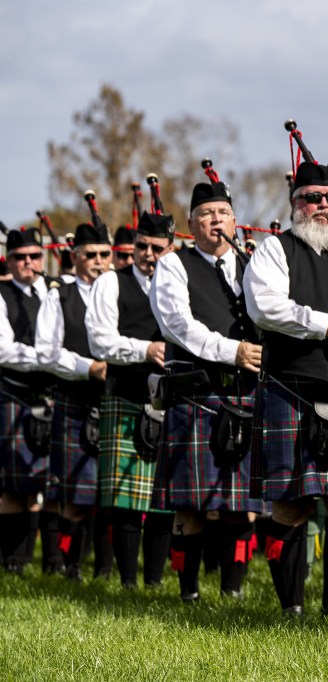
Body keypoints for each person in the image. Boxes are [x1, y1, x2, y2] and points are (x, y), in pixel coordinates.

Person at [243, 159, 328, 617]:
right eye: (311, 198)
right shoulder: (275, 251)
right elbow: (265, 308)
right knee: (290, 507)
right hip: (292, 389)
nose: (322, 206)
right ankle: (291, 608)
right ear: (295, 203)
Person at [150, 178, 264, 601]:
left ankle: (232, 589)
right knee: (190, 503)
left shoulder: (254, 266)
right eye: (205, 215)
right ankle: (188, 590)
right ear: (191, 226)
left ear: (235, 222)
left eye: (222, 214)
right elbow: (176, 326)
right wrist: (232, 351)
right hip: (197, 394)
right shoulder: (173, 265)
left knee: (239, 503)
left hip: (247, 393)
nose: (215, 221)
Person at [86, 212, 176, 589]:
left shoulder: (178, 282)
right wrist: (146, 349)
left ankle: (153, 583)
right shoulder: (111, 282)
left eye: (157, 248)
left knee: (162, 499)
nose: (148, 254)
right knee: (126, 498)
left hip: (171, 398)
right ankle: (126, 583)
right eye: (141, 246)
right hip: (126, 393)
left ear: (169, 249)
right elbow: (99, 342)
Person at [36, 223, 111, 581]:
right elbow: (47, 353)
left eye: (104, 255)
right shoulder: (59, 295)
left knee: (111, 497)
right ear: (75, 257)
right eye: (91, 255)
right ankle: (69, 566)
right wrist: (89, 367)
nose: (99, 262)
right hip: (76, 398)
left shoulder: (118, 291)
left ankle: (105, 569)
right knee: (78, 497)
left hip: (115, 401)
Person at [0, 228, 55, 573]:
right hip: (11, 393)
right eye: (21, 257)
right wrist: (48, 358)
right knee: (12, 486)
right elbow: (3, 349)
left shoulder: (53, 293)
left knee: (41, 484)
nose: (29, 263)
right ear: (8, 258)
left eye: (35, 256)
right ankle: (13, 562)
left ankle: (42, 561)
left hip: (51, 396)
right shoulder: (1, 294)